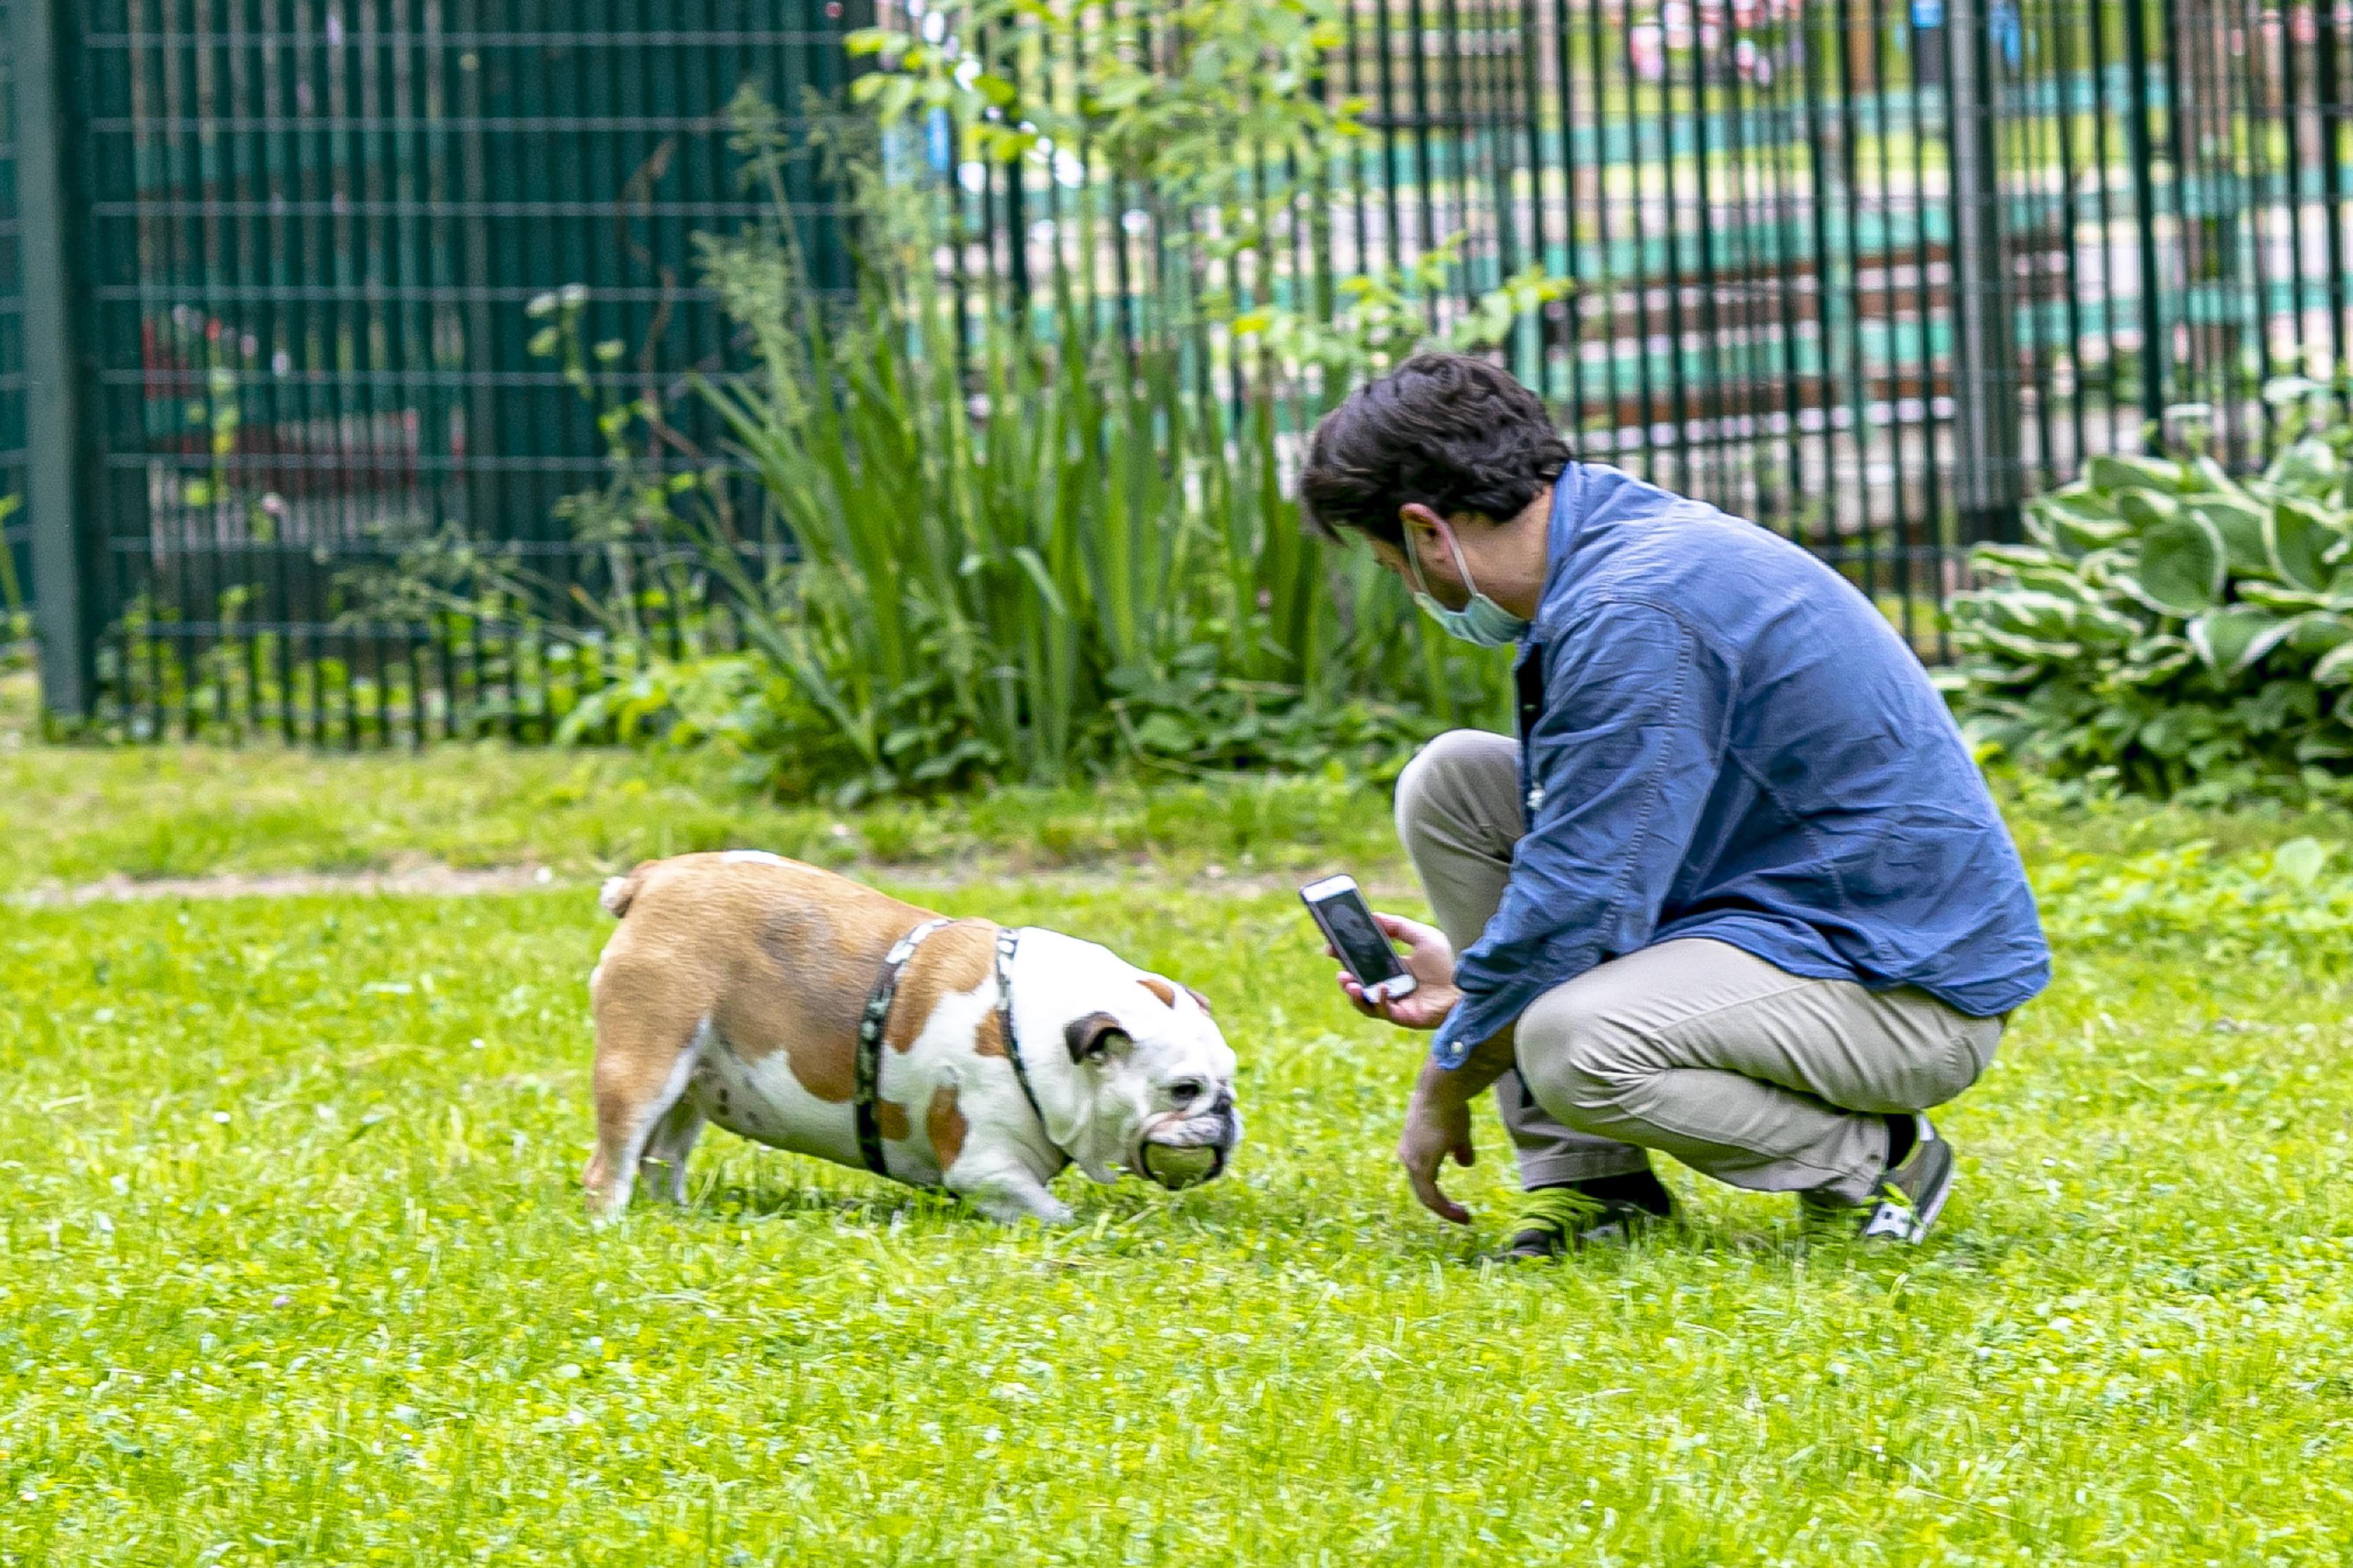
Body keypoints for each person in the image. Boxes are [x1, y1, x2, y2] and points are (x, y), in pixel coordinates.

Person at [1300, 352, 2049, 1255]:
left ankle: (1876, 1158)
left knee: (1576, 1043)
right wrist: (1478, 973)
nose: (1412, 587)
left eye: (1393, 564)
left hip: (1902, 991)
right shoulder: (1607, 543)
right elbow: (1590, 863)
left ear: (1427, 530)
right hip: (1780, 922)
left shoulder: (1633, 606)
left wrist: (1448, 1073)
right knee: (1453, 781)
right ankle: (1596, 1186)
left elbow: (1587, 896)